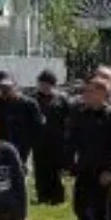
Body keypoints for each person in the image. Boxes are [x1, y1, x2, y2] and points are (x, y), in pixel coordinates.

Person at [67, 78, 111, 220]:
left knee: (101, 209)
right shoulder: (80, 114)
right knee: (79, 206)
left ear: (102, 94)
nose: (85, 95)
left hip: (104, 169)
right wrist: (70, 163)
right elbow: (72, 141)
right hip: (85, 167)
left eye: (90, 91)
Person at [0, 72, 45, 183]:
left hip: (22, 152)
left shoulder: (29, 105)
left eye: (8, 87)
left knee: (19, 183)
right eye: (2, 87)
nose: (5, 90)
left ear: (14, 85)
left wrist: (31, 147)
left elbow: (38, 129)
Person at [31, 70, 71, 206]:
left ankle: (57, 197)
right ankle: (42, 196)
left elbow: (69, 118)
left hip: (58, 141)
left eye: (47, 84)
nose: (44, 86)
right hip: (39, 141)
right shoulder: (33, 99)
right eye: (42, 83)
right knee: (41, 169)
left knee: (56, 170)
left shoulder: (61, 99)